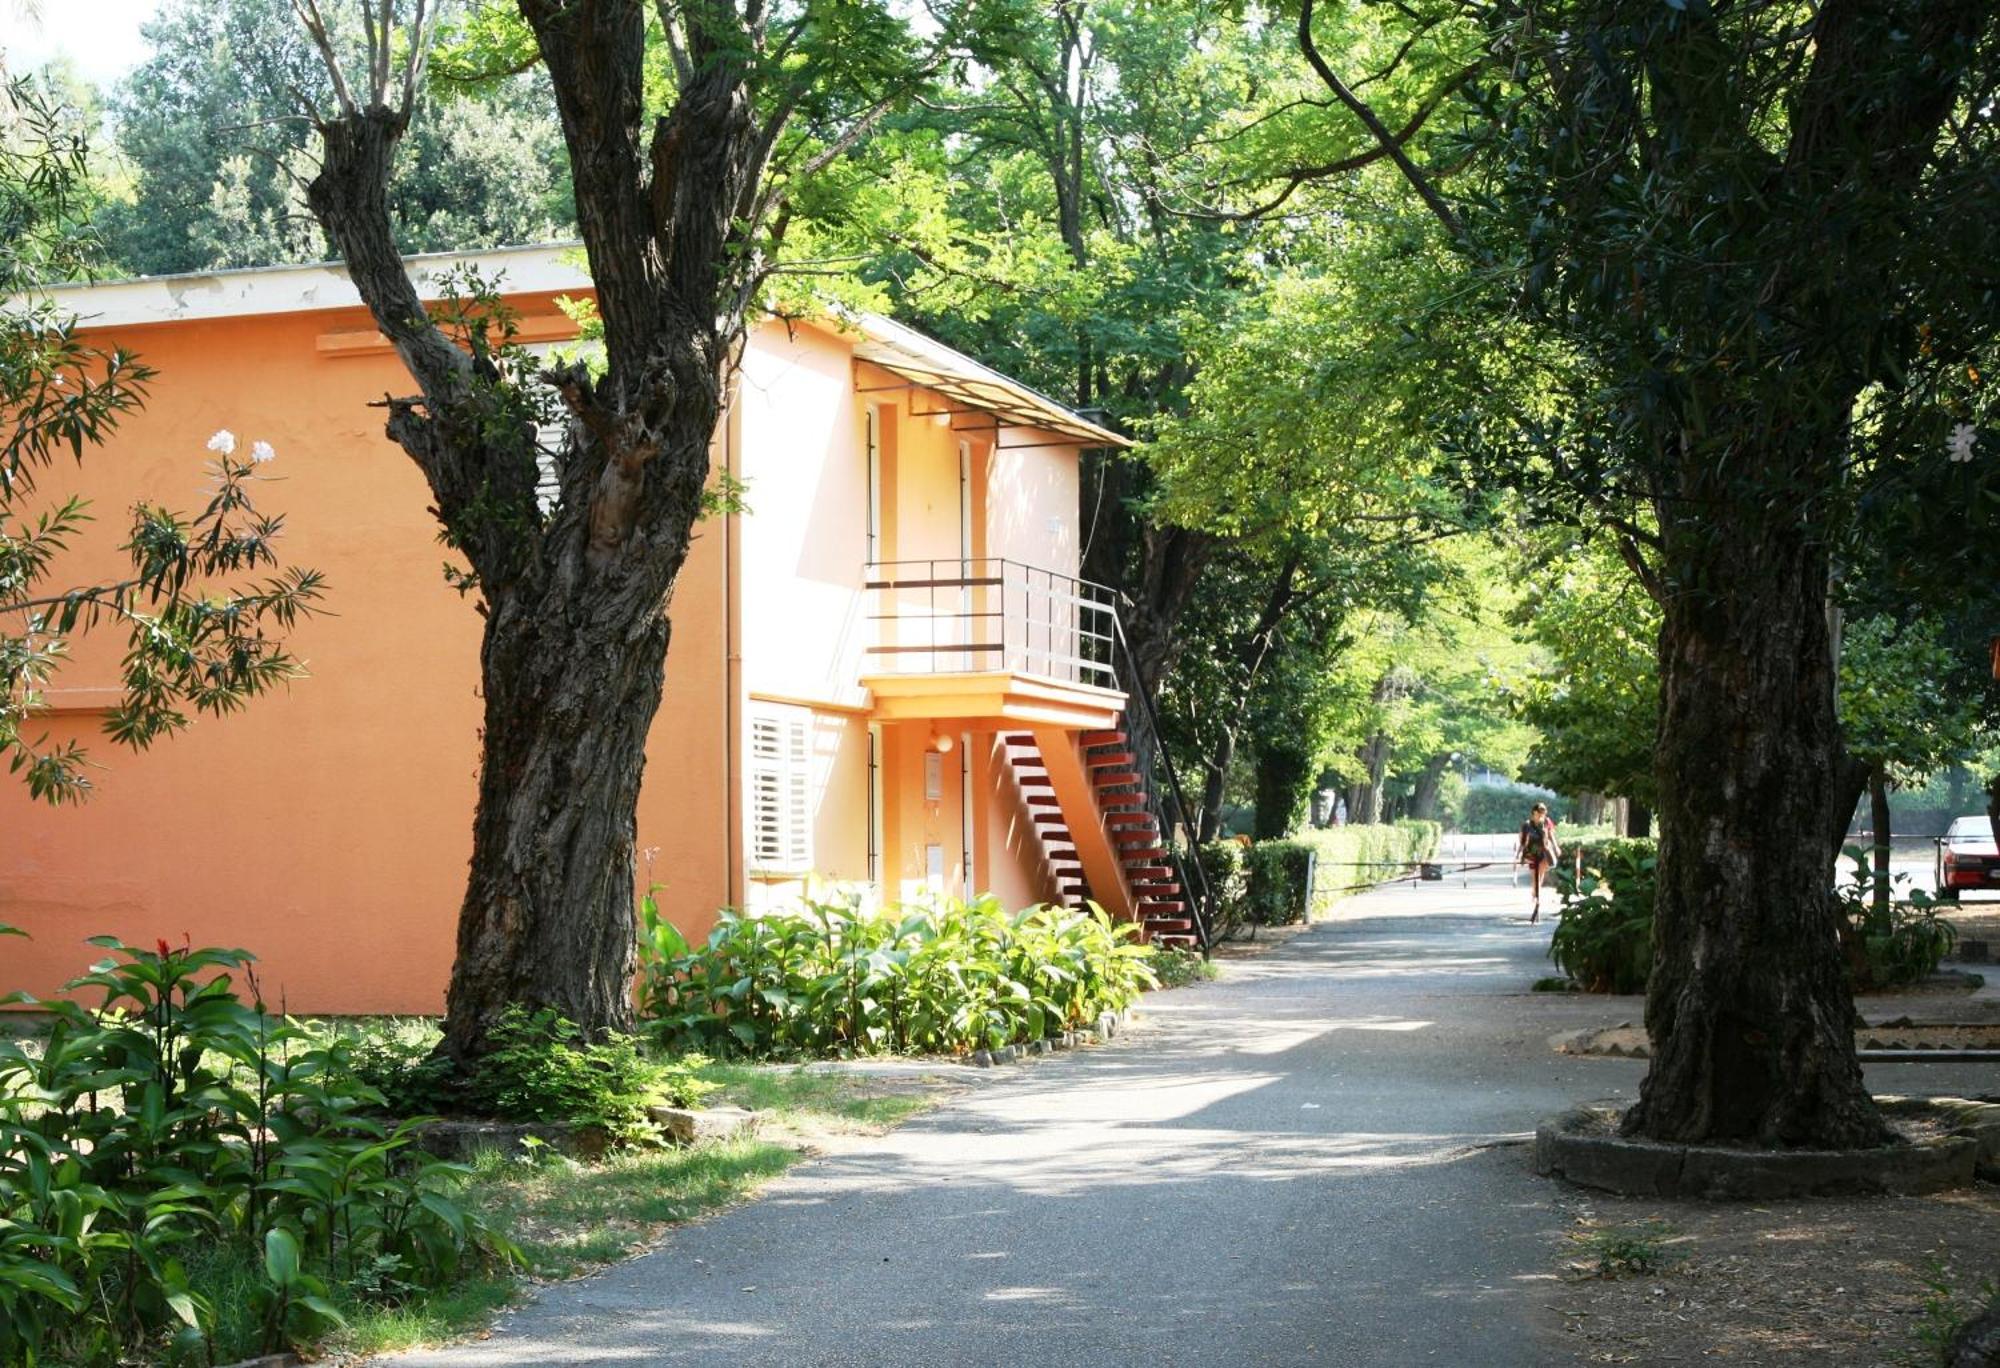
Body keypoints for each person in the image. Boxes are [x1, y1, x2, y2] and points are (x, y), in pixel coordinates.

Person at [1516, 801, 1562, 922]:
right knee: (1535, 875)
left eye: (1544, 813)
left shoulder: (1547, 822)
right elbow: (1522, 840)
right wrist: (1520, 854)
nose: (1542, 815)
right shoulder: (1527, 825)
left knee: (1541, 873)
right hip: (1532, 852)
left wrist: (1556, 847)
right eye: (1540, 813)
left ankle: (1537, 894)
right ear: (1534, 813)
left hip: (1544, 851)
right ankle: (1536, 892)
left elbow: (1551, 835)